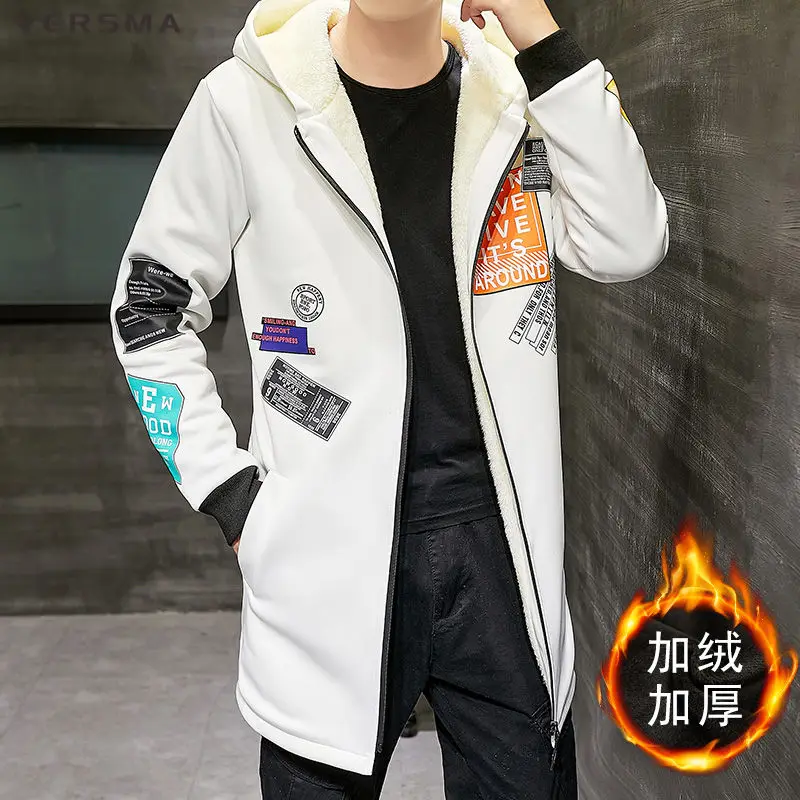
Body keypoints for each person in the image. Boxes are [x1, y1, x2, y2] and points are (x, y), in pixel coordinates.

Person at [109, 0, 669, 796]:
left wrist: (539, 34)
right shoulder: (244, 103)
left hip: (504, 554)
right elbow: (148, 311)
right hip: (323, 550)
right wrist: (231, 495)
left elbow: (630, 242)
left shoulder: (514, 99)